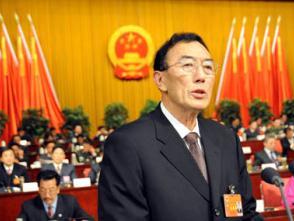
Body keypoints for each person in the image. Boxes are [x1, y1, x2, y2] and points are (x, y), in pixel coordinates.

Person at [98, 33, 262, 221]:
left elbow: (247, 212)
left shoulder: (225, 139)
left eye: (208, 67)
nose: (201, 76)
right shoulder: (128, 144)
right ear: (160, 80)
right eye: (188, 66)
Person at [17, 170, 93, 220]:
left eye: (51, 190)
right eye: (43, 190)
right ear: (39, 190)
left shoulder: (70, 202)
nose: (47, 194)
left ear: (58, 189)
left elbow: (87, 218)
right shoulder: (28, 206)